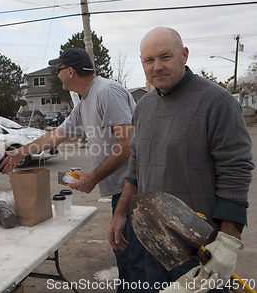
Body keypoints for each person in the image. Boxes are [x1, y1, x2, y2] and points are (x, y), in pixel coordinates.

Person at [107, 27, 254, 292]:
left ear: (184, 55)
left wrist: (229, 241)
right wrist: (120, 215)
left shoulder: (217, 103)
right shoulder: (144, 107)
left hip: (199, 246)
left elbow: (235, 171)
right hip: (154, 241)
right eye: (149, 60)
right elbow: (135, 169)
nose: (157, 67)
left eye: (166, 57)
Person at [0, 47, 147, 292]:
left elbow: (128, 145)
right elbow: (57, 136)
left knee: (137, 264)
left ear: (69, 71)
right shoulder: (85, 102)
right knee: (126, 260)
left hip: (135, 191)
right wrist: (21, 152)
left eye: (58, 71)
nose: (56, 76)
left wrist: (93, 177)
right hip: (120, 193)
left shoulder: (107, 92)